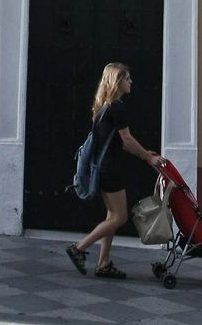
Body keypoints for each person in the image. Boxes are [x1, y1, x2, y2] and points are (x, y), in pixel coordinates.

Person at [65, 62, 162, 279]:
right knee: (119, 218)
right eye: (127, 78)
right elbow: (126, 140)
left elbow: (121, 142)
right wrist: (147, 157)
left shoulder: (104, 107)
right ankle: (79, 248)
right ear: (118, 81)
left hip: (105, 169)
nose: (131, 82)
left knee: (112, 215)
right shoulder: (117, 107)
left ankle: (104, 263)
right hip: (111, 170)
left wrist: (145, 152)